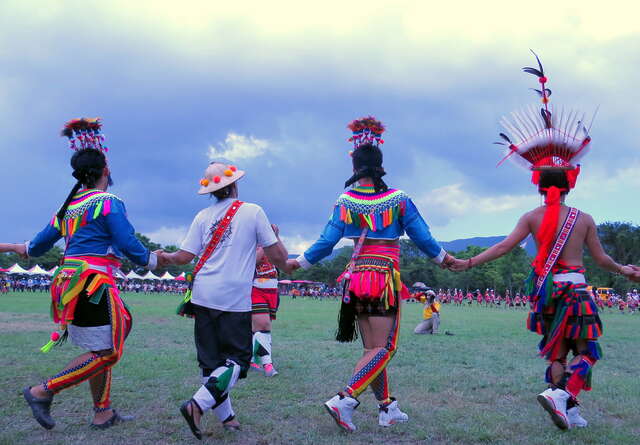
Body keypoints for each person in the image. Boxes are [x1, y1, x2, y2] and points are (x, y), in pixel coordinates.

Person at [449, 54, 640, 430]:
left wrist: (467, 263)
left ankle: (566, 409)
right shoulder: (583, 218)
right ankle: (562, 396)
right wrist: (625, 270)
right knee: (586, 352)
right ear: (570, 181)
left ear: (538, 182)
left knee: (557, 351)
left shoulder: (531, 217)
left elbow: (504, 247)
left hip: (546, 293)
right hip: (576, 290)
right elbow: (600, 260)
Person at [287, 116, 453, 432]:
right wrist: (444, 259)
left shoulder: (346, 200)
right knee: (386, 348)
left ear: (354, 169)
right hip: (384, 279)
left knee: (371, 348)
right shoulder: (399, 199)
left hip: (357, 279)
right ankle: (345, 398)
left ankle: (387, 408)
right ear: (380, 166)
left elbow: (327, 240)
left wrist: (301, 262)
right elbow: (422, 236)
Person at [0, 118, 158, 430]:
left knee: (103, 343)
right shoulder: (109, 202)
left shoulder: (68, 207)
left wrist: (11, 246)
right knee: (109, 349)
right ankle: (42, 391)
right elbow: (127, 243)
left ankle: (103, 412)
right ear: (105, 171)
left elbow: (35, 246)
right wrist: (154, 260)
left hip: (69, 284)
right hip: (91, 283)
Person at [156, 161, 289, 439]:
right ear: (235, 184)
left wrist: (163, 257)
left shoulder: (202, 216)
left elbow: (182, 257)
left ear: (211, 190)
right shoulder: (253, 211)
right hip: (233, 298)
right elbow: (276, 257)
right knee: (238, 361)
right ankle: (196, 405)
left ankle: (227, 417)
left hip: (203, 294)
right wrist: (291, 262)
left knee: (211, 362)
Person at [249, 246, 280, 377]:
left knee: (255, 328)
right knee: (263, 325)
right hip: (255, 287)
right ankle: (267, 364)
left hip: (273, 289)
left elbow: (282, 258)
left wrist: (275, 238)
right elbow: (251, 260)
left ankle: (249, 359)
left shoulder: (271, 239)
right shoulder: (249, 239)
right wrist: (264, 244)